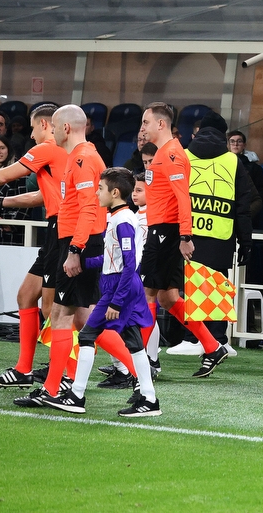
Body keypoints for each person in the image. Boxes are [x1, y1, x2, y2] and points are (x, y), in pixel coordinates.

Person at [14, 105, 122, 408]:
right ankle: (133, 372)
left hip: (80, 244)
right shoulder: (82, 156)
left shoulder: (83, 158)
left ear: (64, 129)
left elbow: (90, 207)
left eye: (54, 128)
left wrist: (74, 250)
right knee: (80, 317)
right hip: (77, 241)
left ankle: (56, 390)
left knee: (62, 315)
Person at [40, 168, 160, 416]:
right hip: (121, 286)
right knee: (135, 344)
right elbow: (111, 260)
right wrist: (83, 264)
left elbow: (128, 266)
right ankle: (149, 399)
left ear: (115, 192)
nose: (96, 192)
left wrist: (116, 302)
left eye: (101, 188)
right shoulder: (118, 218)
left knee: (86, 336)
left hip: (120, 289)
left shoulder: (122, 222)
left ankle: (77, 395)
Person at [0, 104, 67, 390]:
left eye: (32, 127)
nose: (29, 134)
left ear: (44, 124)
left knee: (58, 311)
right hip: (57, 231)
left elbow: (4, 175)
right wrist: (1, 202)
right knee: (27, 296)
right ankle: (24, 370)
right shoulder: (60, 153)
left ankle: (66, 373)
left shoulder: (47, 148)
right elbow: (41, 196)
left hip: (64, 232)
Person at [139, 102, 228, 377]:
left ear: (161, 124)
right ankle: (213, 347)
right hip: (163, 230)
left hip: (166, 232)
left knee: (147, 295)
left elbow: (183, 197)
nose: (142, 128)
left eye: (145, 122)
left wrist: (185, 235)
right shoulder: (164, 153)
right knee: (167, 298)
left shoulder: (173, 154)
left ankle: (139, 363)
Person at [176, 112, 255, 356]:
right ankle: (219, 338)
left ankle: (192, 339)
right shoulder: (233, 161)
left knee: (189, 286)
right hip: (222, 236)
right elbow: (245, 205)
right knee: (217, 286)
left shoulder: (184, 156)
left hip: (188, 235)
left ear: (199, 131)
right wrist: (246, 242)